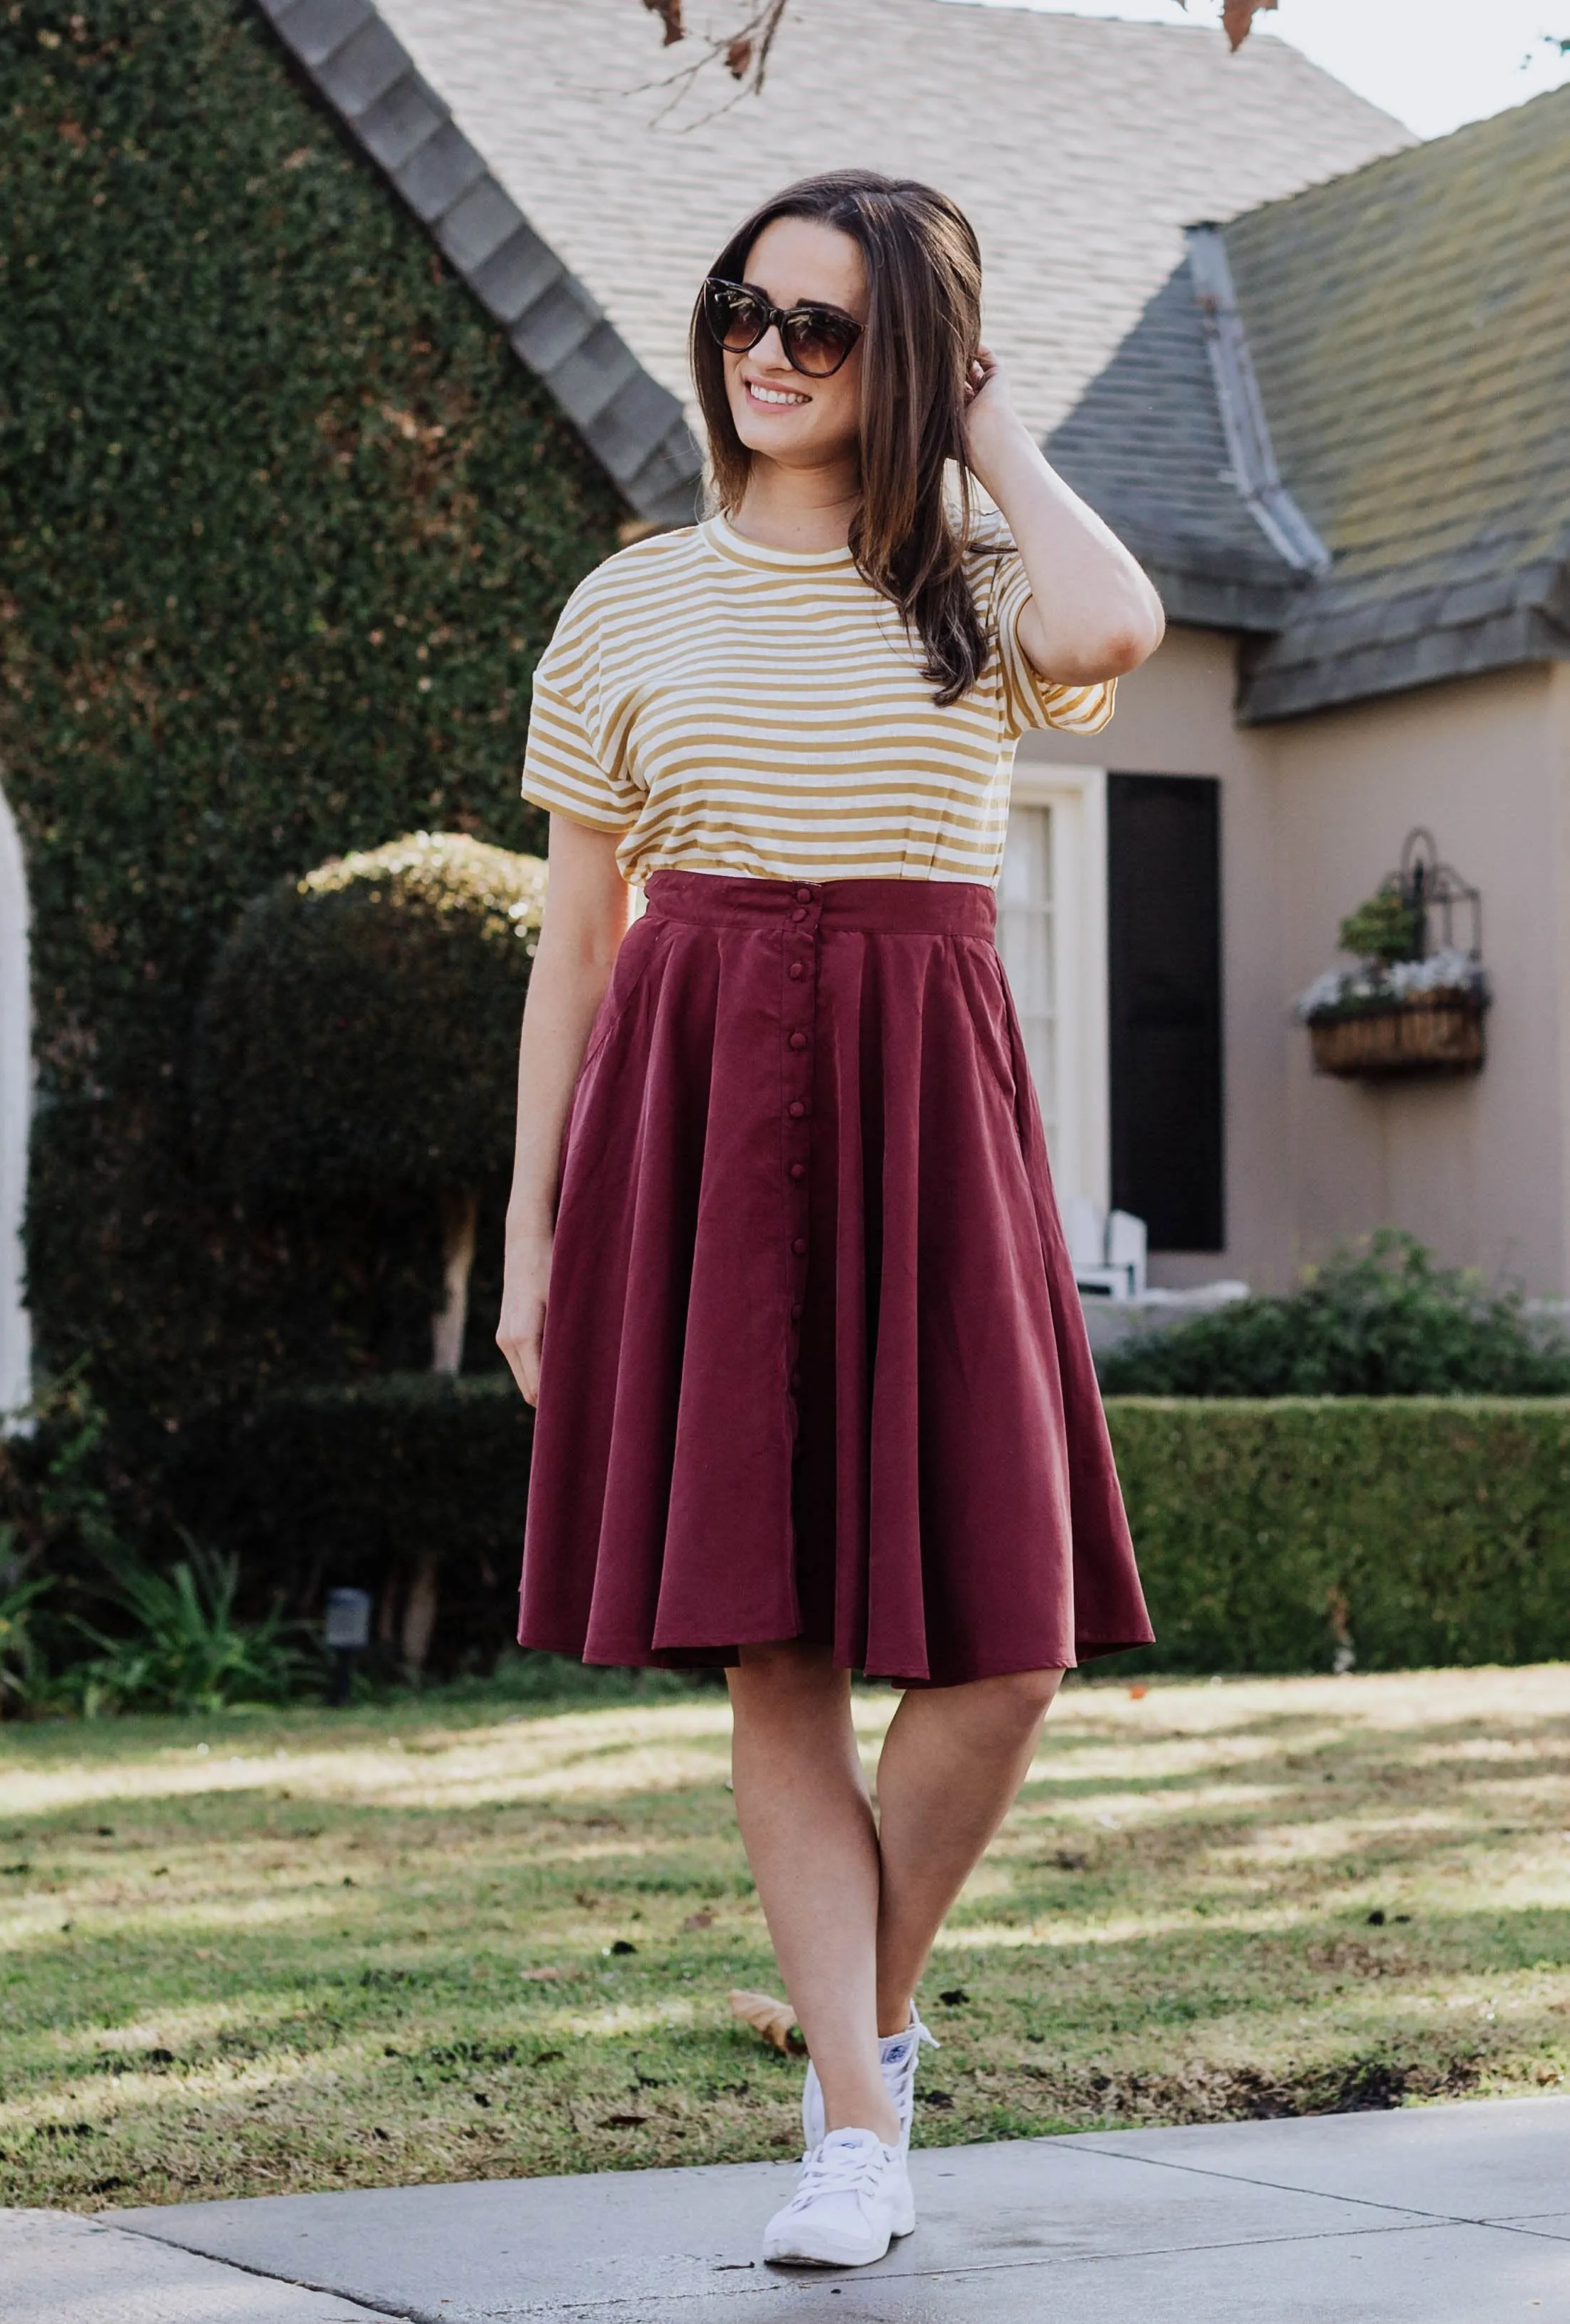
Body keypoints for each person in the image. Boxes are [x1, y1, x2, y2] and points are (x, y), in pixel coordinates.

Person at [497, 170, 1158, 2271]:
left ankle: (854, 2028)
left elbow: (1118, 625)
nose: (766, 354)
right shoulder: (624, 607)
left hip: (927, 1093)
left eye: (826, 329)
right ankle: (858, 2134)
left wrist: (984, 426)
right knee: (772, 1650)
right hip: (700, 1103)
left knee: (1011, 1657)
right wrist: (533, 1241)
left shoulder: (976, 578)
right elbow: (576, 953)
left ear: (911, 367)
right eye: (743, 310)